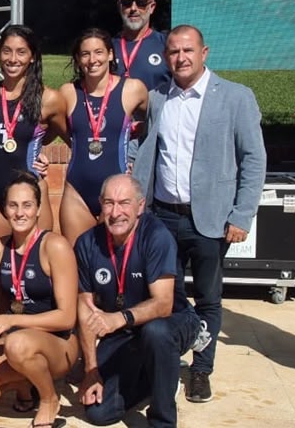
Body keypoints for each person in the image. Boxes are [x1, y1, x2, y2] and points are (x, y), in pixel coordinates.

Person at [132, 24, 266, 404]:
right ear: (166, 57)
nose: (181, 58)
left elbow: (254, 159)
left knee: (208, 297)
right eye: (174, 51)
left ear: (204, 53)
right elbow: (145, 147)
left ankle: (202, 370)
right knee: (166, 294)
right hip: (162, 216)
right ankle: (169, 360)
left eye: (188, 50)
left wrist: (242, 214)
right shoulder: (158, 98)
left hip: (211, 219)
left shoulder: (236, 97)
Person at [74, 174, 200, 427]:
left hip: (173, 321)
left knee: (156, 333)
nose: (115, 213)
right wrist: (91, 370)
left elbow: (163, 304)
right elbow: (85, 309)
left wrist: (119, 318)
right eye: (109, 203)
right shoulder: (87, 243)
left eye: (124, 203)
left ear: (140, 206)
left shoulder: (157, 236)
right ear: (100, 203)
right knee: (99, 413)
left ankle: (162, 420)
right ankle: (161, 379)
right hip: (124, 331)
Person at [0, 173, 78, 428]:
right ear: (4, 209)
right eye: (13, 205)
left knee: (17, 343)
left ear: (39, 209)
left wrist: (11, 320)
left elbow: (67, 317)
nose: (20, 213)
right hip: (16, 342)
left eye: (27, 205)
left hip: (59, 342)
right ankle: (24, 384)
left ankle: (48, 398)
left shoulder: (55, 246)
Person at [0, 25, 66, 250]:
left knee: (36, 260)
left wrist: (40, 148)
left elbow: (69, 135)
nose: (12, 59)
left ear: (32, 57)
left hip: (31, 191)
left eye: (21, 52)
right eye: (6, 51)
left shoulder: (49, 99)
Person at [58, 28, 148, 244]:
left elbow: (152, 125)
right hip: (77, 192)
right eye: (85, 54)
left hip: (117, 192)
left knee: (117, 259)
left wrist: (136, 154)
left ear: (110, 54)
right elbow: (55, 129)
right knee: (78, 257)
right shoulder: (68, 92)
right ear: (78, 59)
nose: (92, 60)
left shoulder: (133, 89)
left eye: (98, 52)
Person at [114, 0, 170, 92]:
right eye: (127, 3)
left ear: (152, 7)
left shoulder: (166, 45)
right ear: (120, 7)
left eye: (141, 3)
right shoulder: (107, 47)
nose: (133, 8)